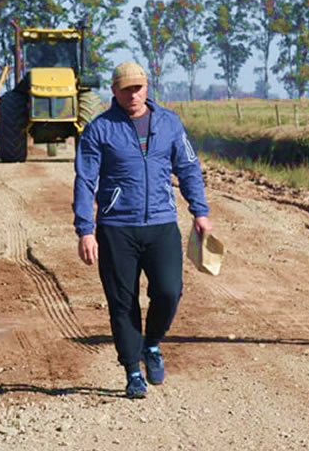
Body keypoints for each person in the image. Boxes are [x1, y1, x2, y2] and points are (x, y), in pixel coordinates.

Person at [73, 61, 212, 398]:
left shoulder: (169, 124)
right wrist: (85, 229)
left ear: (147, 87)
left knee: (169, 291)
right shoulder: (99, 129)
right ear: (114, 91)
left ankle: (151, 344)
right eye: (126, 89)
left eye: (138, 88)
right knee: (122, 303)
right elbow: (85, 180)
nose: (133, 94)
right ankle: (133, 370)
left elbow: (189, 168)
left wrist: (200, 211)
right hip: (116, 228)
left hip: (162, 223)